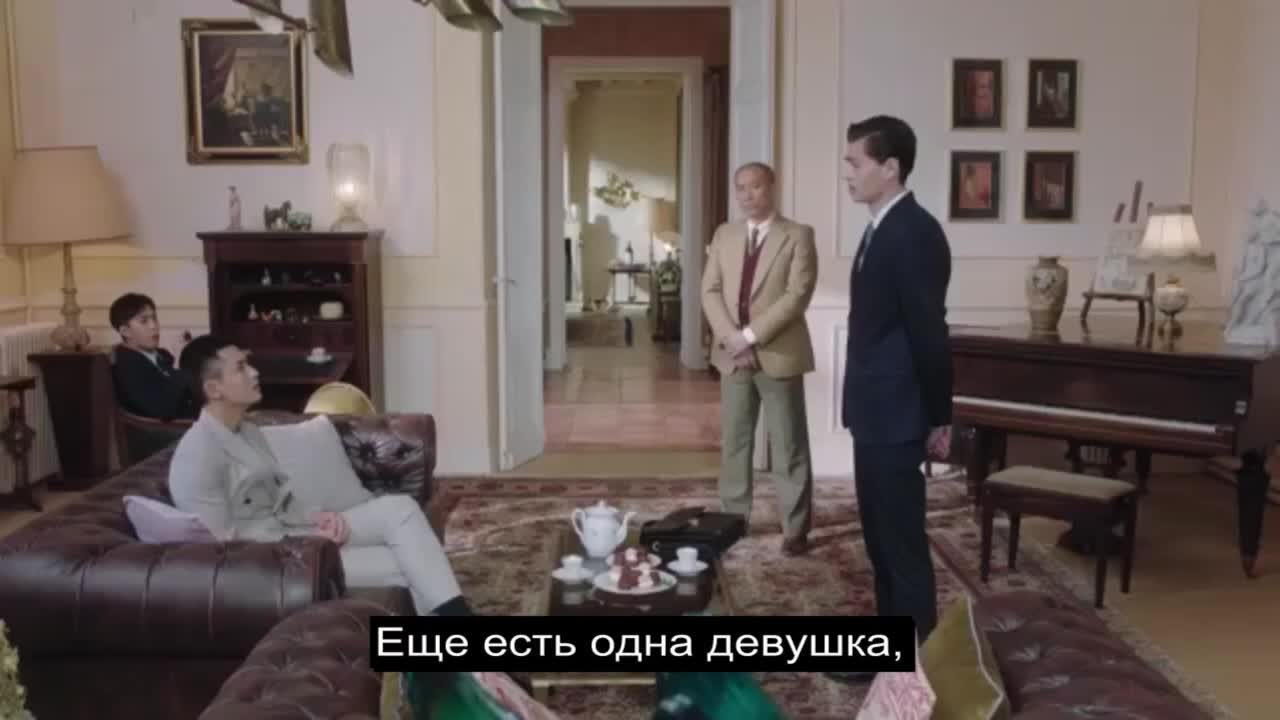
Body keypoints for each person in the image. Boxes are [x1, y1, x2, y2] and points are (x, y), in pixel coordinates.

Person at [167, 335, 473, 617]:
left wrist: (317, 517)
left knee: (401, 509)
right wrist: (307, 542)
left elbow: (281, 500)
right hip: (281, 564)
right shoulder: (197, 456)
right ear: (213, 389)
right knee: (408, 564)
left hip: (300, 535)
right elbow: (223, 552)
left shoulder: (248, 431)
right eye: (241, 367)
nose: (254, 372)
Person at [840, 116, 952, 657]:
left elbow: (929, 332)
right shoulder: (881, 226)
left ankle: (917, 663)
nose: (847, 172)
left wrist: (940, 416)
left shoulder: (915, 232)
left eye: (855, 162)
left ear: (890, 167)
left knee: (901, 544)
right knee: (880, 540)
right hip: (875, 410)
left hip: (898, 412)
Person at [701, 162, 818, 556]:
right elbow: (709, 290)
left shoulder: (798, 235)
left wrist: (750, 337)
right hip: (731, 355)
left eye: (755, 187)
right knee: (735, 441)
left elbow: (796, 296)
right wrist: (732, 340)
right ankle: (733, 519)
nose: (747, 195)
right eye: (740, 188)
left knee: (788, 444)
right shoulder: (725, 234)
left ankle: (795, 529)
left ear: (772, 187)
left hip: (778, 353)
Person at [109, 293, 198, 421]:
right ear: (125, 331)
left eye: (154, 318)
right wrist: (178, 363)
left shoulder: (160, 355)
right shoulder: (128, 367)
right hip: (171, 430)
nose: (154, 326)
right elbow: (165, 409)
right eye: (144, 321)